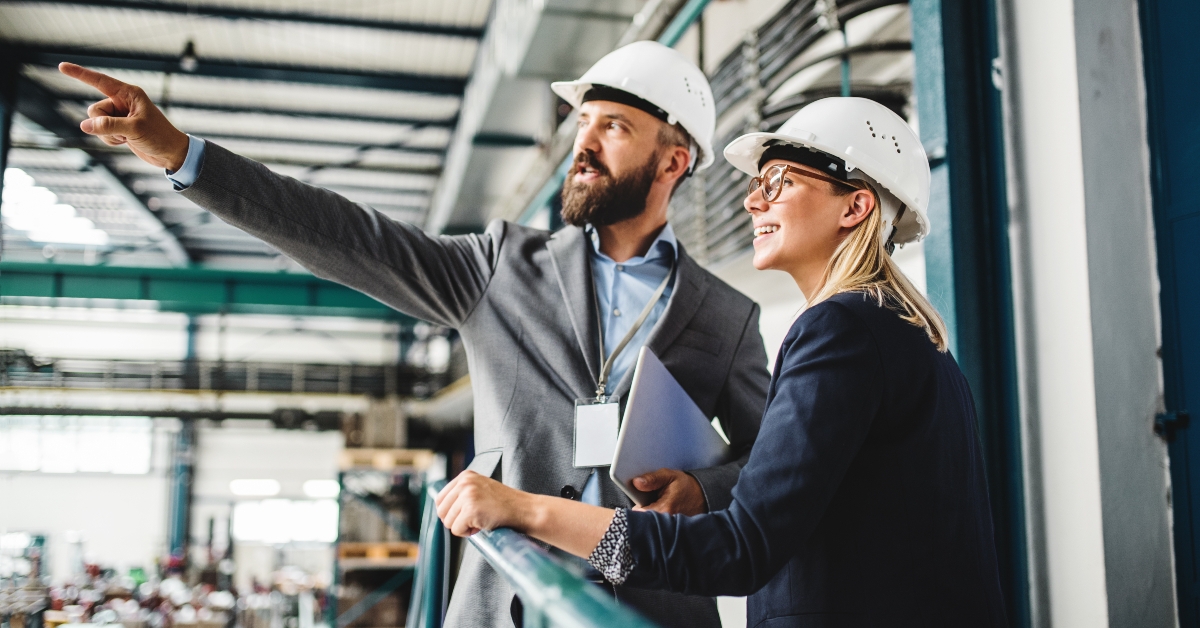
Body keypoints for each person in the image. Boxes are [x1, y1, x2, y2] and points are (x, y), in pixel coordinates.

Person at [59, 40, 770, 628]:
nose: (583, 142)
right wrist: (183, 155)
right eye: (583, 120)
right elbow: (346, 235)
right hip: (507, 603)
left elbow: (773, 463)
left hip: (652, 605)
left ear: (673, 161)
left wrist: (705, 491)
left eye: (613, 126)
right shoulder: (500, 265)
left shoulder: (724, 314)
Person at [434, 97, 1010, 627]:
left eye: (778, 181)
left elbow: (737, 551)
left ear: (855, 206)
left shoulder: (841, 331)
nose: (752, 199)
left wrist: (528, 511)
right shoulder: (905, 335)